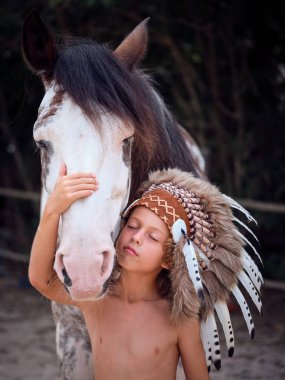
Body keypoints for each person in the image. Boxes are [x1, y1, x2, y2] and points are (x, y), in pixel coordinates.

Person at [29, 164, 210, 380]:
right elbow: (42, 280)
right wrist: (52, 211)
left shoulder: (179, 318)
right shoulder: (97, 302)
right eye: (133, 226)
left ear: (169, 259)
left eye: (152, 237)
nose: (136, 237)